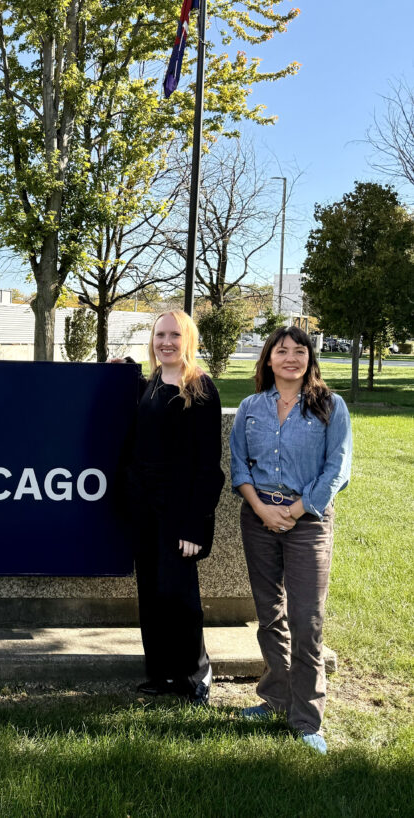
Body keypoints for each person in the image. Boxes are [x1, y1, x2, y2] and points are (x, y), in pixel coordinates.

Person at [229, 325, 351, 755]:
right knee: (269, 615)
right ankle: (276, 696)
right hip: (258, 519)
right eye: (282, 351)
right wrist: (263, 510)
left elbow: (337, 469)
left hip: (309, 521)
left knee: (307, 619)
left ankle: (306, 718)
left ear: (309, 360)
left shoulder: (330, 407)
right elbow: (239, 466)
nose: (291, 358)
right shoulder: (250, 407)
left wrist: (296, 511)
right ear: (268, 359)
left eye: (300, 351)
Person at [123, 310, 225, 705]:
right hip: (144, 510)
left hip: (179, 511)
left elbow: (207, 465)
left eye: (174, 336)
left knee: (179, 595)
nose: (166, 342)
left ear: (188, 340)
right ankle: (162, 673)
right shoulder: (149, 384)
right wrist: (125, 370)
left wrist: (195, 526)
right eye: (159, 335)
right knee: (150, 592)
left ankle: (195, 675)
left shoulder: (200, 389)